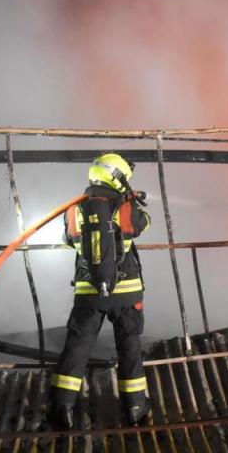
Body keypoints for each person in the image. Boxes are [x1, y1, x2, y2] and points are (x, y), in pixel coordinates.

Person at [50, 152, 151, 429]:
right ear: (118, 177)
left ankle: (63, 407)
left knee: (76, 348)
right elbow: (143, 224)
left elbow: (69, 239)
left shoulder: (75, 208)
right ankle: (135, 407)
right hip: (126, 291)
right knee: (129, 346)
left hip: (88, 292)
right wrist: (130, 198)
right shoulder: (125, 206)